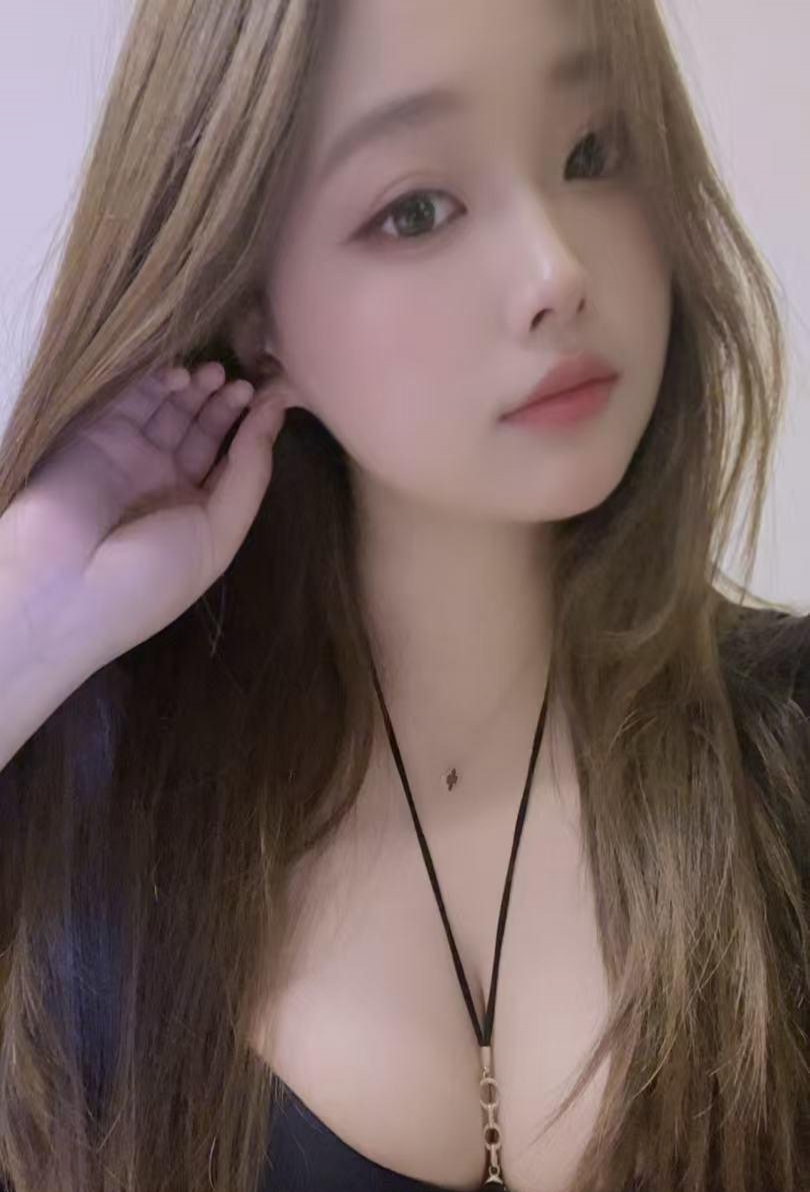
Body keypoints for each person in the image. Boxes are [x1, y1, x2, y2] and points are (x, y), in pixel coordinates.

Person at [0, 0, 807, 1190]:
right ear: (251, 305)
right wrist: (26, 613)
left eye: (594, 151)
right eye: (417, 209)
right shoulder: (86, 822)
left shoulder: (783, 746)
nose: (556, 272)